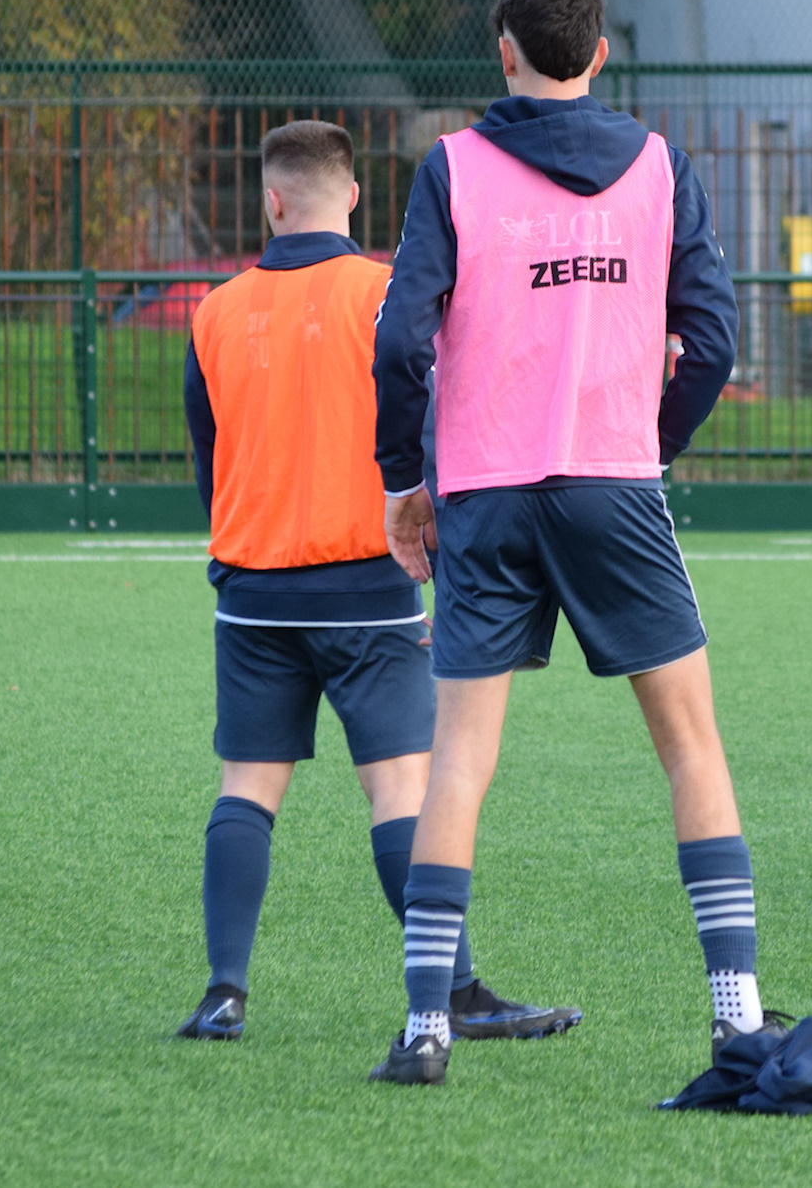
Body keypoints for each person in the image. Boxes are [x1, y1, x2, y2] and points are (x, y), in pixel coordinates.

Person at [366, 0, 750, 1087]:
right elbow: (714, 341)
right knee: (690, 747)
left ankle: (427, 1024)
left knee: (460, 763)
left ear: (502, 52)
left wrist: (404, 478)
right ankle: (736, 1016)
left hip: (483, 494)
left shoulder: (453, 168)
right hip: (612, 486)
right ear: (601, 54)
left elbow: (399, 343)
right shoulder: (661, 166)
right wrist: (650, 436)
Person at [174, 121, 578, 1044]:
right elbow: (443, 427)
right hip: (372, 585)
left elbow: (210, 461)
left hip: (251, 589)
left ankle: (224, 992)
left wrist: (240, 542)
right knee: (401, 790)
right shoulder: (387, 292)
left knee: (247, 789)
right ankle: (457, 991)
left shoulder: (214, 309)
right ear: (353, 196)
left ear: (270, 199)